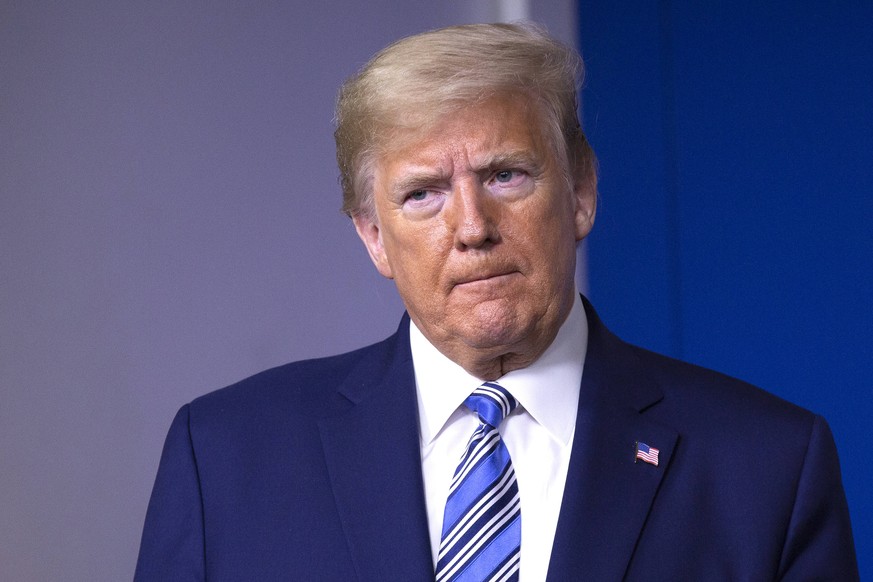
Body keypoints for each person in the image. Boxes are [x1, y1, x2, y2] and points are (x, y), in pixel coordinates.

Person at [134, 22, 858, 581]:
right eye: (422, 194)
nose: (472, 228)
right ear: (372, 236)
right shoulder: (226, 458)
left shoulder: (764, 465)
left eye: (506, 175)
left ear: (580, 191)